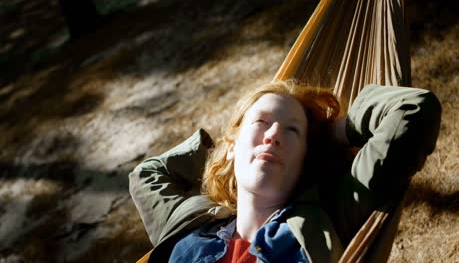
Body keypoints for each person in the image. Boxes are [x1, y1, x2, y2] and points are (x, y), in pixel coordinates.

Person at [129, 80, 441, 263]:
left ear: (306, 156)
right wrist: (224, 151)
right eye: (261, 122)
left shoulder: (328, 216)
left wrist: (334, 133)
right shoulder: (191, 222)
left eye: (291, 131)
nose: (273, 134)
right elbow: (146, 175)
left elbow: (414, 109)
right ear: (233, 144)